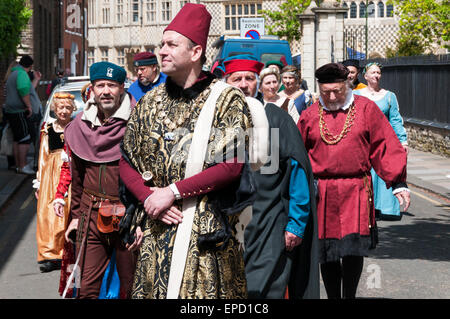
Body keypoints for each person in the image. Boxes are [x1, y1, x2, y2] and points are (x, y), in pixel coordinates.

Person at [118, 3, 257, 299]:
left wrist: (172, 192)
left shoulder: (226, 99)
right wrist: (149, 198)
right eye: (162, 44)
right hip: (156, 229)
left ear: (195, 53)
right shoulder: (148, 101)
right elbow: (126, 160)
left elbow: (231, 165)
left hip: (204, 234)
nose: (162, 51)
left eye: (171, 44)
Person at [298, 63, 410, 299]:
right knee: (327, 254)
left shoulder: (366, 109)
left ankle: (349, 296)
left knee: (351, 251)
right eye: (326, 91)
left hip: (356, 189)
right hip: (323, 191)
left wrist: (398, 182)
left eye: (337, 91)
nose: (331, 96)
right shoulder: (309, 116)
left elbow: (384, 145)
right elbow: (297, 157)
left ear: (347, 85)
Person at [223, 55, 320, 299]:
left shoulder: (276, 119)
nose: (243, 84)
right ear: (226, 83)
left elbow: (297, 172)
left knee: (264, 292)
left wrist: (296, 225)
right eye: (237, 79)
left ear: (257, 83)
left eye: (249, 79)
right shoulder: (214, 123)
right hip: (225, 227)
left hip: (269, 223)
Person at [63, 61, 137, 299]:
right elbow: (77, 177)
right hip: (91, 213)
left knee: (134, 286)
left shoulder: (138, 123)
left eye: (112, 85)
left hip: (128, 216)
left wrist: (142, 220)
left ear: (122, 88)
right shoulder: (79, 126)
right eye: (100, 85)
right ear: (93, 89)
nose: (106, 91)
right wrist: (75, 217)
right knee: (86, 289)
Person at [354, 62, 408, 220]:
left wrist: (403, 141)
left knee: (382, 173)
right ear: (365, 76)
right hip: (364, 141)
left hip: (383, 142)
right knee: (366, 174)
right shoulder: (357, 96)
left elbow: (395, 120)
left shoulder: (389, 96)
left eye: (378, 72)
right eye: (373, 72)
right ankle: (366, 207)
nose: (376, 75)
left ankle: (380, 206)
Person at [32, 92, 76, 272]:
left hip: (70, 173)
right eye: (60, 108)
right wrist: (40, 182)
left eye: (67, 108)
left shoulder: (76, 127)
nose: (63, 111)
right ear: (54, 109)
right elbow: (43, 157)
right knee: (48, 215)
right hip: (51, 175)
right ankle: (50, 254)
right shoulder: (47, 129)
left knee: (68, 212)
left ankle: (69, 250)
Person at [3, 55, 36, 174]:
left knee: (18, 138)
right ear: (30, 66)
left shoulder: (13, 73)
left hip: (11, 110)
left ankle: (18, 165)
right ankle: (23, 165)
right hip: (19, 110)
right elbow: (23, 90)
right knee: (24, 138)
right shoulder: (21, 74)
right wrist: (29, 106)